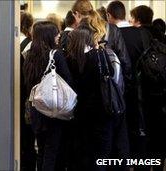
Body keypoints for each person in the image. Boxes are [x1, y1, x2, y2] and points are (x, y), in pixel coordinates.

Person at [67, 18, 129, 171]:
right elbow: (112, 74)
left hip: (80, 112)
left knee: (84, 152)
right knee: (102, 153)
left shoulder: (70, 59)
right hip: (102, 110)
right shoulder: (98, 56)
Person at [23, 21, 73, 171]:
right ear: (48, 35)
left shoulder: (29, 56)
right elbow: (67, 80)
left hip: (36, 108)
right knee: (52, 150)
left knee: (42, 149)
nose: (59, 35)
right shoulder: (55, 54)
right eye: (56, 33)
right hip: (53, 108)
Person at [106, 2, 147, 171]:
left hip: (113, 91)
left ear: (109, 15)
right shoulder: (142, 34)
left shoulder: (108, 34)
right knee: (134, 131)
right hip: (138, 90)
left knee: (115, 135)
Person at [130, 5, 166, 171]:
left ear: (137, 19)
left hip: (141, 94)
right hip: (161, 94)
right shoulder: (160, 35)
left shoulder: (134, 36)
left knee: (142, 135)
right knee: (158, 134)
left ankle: (142, 166)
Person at [72, 0, 131, 87]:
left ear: (77, 14)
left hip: (86, 88)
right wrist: (125, 86)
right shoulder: (112, 29)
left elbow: (74, 67)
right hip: (110, 86)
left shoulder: (75, 34)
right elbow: (124, 60)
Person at [20, 11, 36, 171]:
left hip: (11, 95)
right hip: (26, 95)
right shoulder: (30, 44)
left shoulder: (10, 42)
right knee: (27, 139)